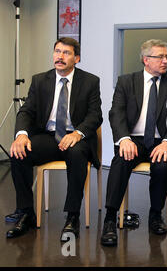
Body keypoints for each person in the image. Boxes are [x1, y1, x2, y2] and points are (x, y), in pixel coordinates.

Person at [6, 37, 102, 241]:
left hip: (76, 137)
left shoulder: (90, 81)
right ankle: (26, 213)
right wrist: (21, 135)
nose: (60, 56)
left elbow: (95, 115)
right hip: (48, 136)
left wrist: (77, 134)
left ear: (76, 58)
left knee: (77, 154)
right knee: (19, 154)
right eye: (57, 51)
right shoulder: (40, 80)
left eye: (66, 53)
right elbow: (26, 111)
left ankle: (72, 216)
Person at [100, 39, 167, 247]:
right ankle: (110, 218)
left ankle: (155, 215)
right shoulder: (126, 81)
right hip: (134, 140)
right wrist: (123, 139)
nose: (165, 60)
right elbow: (116, 113)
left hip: (162, 140)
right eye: (160, 57)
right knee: (121, 160)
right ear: (146, 60)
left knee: (163, 164)